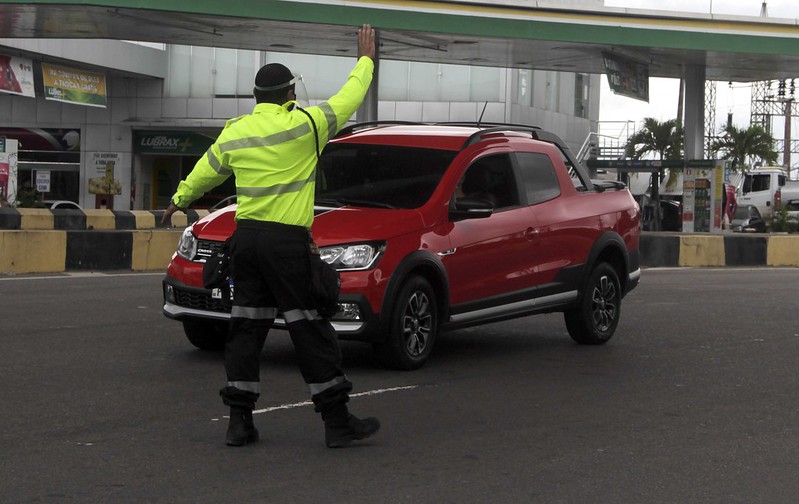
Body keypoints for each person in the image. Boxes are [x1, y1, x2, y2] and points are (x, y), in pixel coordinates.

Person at [161, 24, 380, 448]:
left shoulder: (236, 131)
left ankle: (239, 423)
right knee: (310, 327)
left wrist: (178, 199)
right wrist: (365, 60)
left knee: (245, 329)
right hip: (286, 246)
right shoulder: (308, 125)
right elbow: (350, 97)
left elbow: (206, 170)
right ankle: (337, 422)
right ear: (290, 94)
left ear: (256, 96)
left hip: (245, 243)